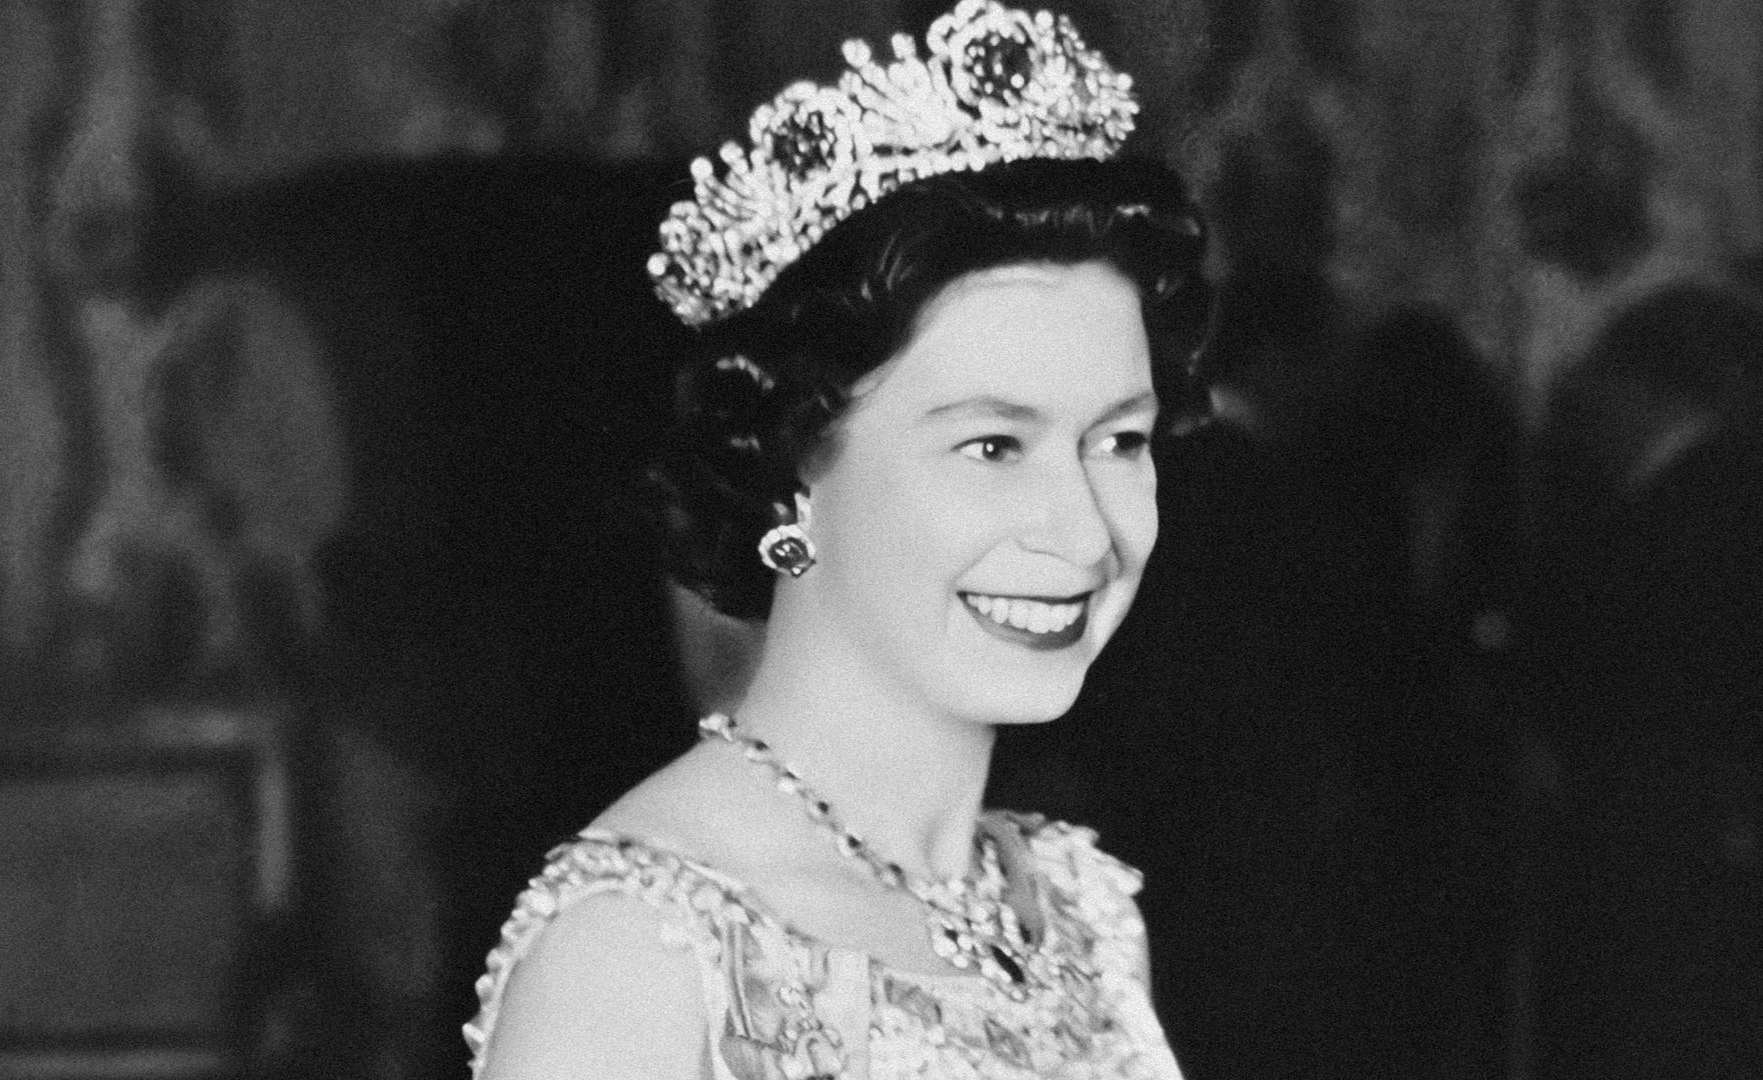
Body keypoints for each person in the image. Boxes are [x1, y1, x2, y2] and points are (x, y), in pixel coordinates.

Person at [461, 3, 1212, 1077]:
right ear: (794, 469)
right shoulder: (638, 954)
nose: (1084, 528)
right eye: (994, 446)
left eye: (1119, 440)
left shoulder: (1078, 911)